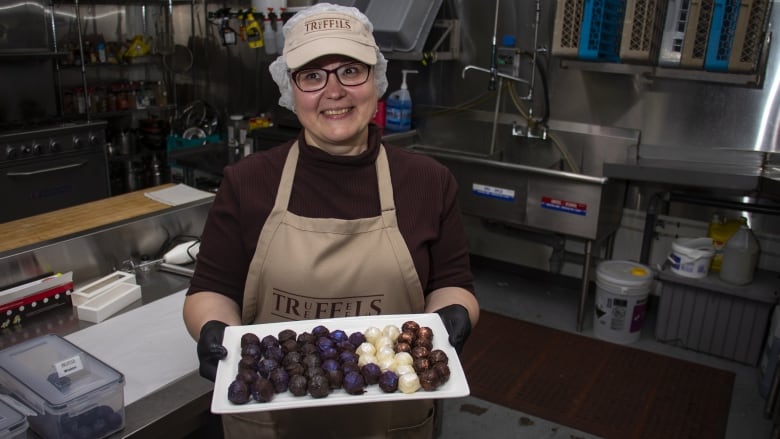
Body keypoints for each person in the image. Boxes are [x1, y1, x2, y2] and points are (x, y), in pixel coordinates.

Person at [183, 3, 479, 438]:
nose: (333, 90)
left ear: (375, 80)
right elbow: (211, 289)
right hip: (272, 415)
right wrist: (214, 331)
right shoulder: (248, 181)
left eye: (350, 71)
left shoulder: (427, 182)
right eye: (312, 75)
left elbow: (453, 282)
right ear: (291, 87)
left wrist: (452, 316)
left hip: (390, 417)